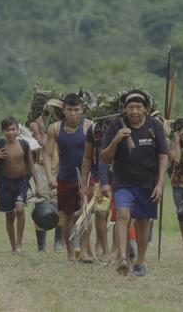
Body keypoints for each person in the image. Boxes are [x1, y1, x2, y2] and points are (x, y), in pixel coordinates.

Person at [100, 89, 168, 276]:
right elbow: (104, 157)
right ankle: (122, 257)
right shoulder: (116, 126)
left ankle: (140, 260)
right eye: (131, 107)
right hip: (124, 182)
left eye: (138, 107)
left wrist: (160, 183)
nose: (134, 111)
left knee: (143, 222)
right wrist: (116, 140)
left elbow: (163, 156)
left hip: (148, 183)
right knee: (122, 214)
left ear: (146, 109)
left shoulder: (155, 126)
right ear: (125, 110)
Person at [43, 93, 93, 262]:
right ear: (63, 110)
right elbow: (48, 154)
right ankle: (71, 252)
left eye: (76, 110)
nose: (73, 113)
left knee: (86, 214)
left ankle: (85, 251)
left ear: (82, 110)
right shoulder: (55, 128)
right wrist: (50, 175)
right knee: (66, 215)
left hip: (85, 178)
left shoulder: (89, 127)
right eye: (69, 110)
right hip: (64, 177)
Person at [0, 116, 41, 253]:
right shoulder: (0, 145)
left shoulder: (24, 144)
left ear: (18, 130)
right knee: (10, 215)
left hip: (21, 182)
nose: (11, 132)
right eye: (7, 130)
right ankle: (13, 246)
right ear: (3, 131)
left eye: (13, 129)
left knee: (20, 209)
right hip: (5, 183)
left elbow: (31, 165)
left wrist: (37, 185)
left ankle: (19, 243)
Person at [29, 100, 65, 252]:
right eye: (48, 111)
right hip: (42, 168)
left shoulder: (63, 126)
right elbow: (42, 142)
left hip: (59, 167)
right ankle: (41, 245)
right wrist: (49, 128)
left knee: (60, 205)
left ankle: (58, 242)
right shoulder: (35, 124)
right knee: (41, 203)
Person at [81, 120, 112, 263]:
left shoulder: (128, 125)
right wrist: (84, 183)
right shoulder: (94, 129)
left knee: (120, 216)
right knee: (100, 212)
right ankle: (103, 249)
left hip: (122, 178)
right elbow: (87, 157)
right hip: (98, 177)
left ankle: (118, 251)